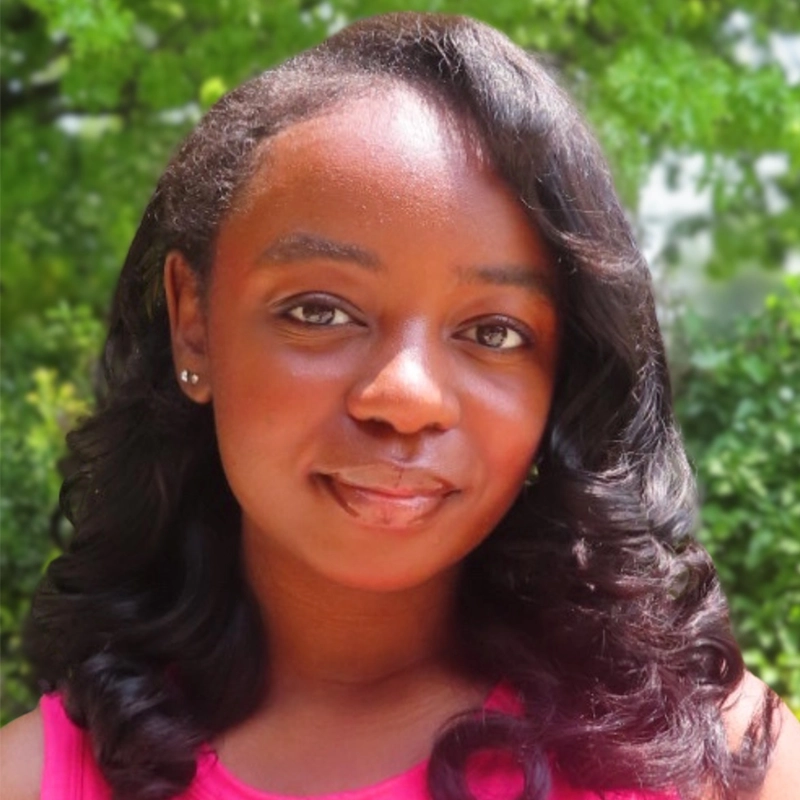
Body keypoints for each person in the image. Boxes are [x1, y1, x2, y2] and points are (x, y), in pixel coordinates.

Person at [1, 12, 798, 800]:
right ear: (194, 323)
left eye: (494, 331)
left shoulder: (712, 764)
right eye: (319, 311)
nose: (406, 399)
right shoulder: (38, 779)